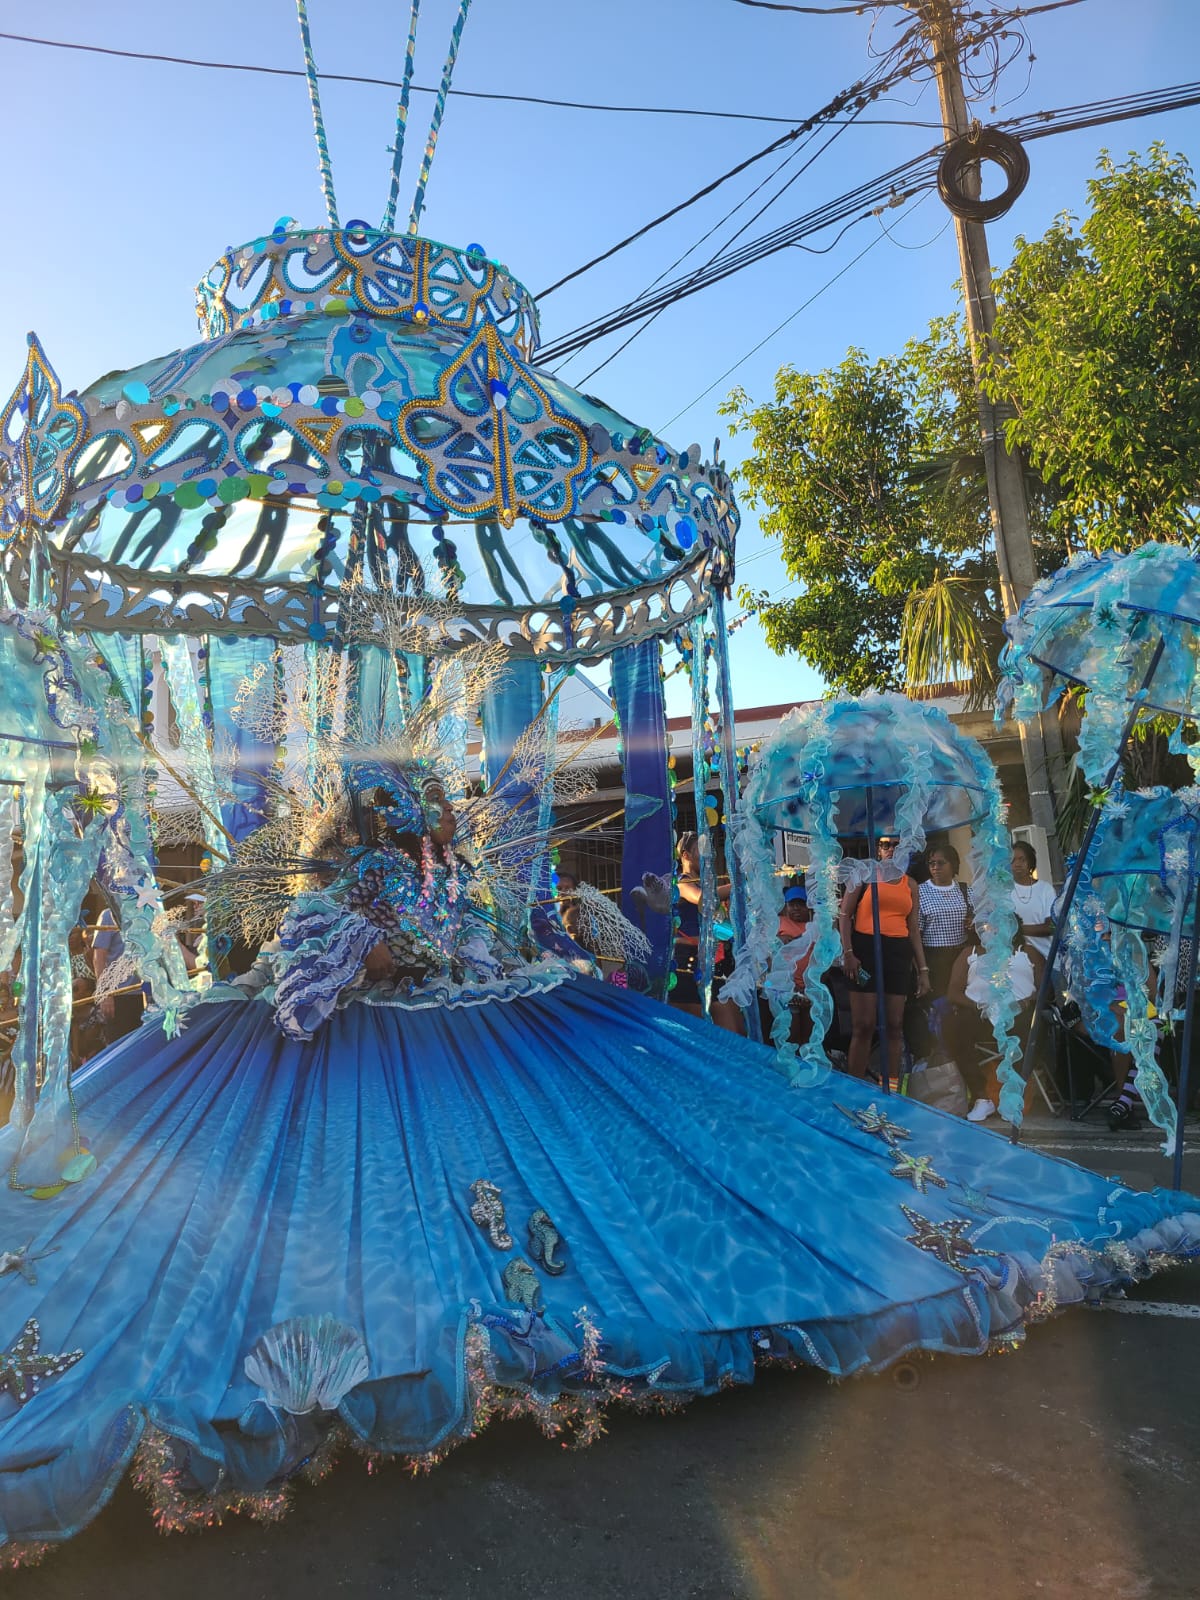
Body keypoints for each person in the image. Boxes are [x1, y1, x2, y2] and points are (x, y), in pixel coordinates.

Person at [2, 756, 1199, 1566]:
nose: (421, 845)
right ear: (370, 838)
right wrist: (370, 947)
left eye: (424, 831)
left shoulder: (444, 898)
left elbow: (463, 949)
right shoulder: (350, 905)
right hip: (415, 1048)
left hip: (491, 1031)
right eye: (404, 831)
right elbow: (310, 986)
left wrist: (516, 937)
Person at [839, 837, 930, 1082]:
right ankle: (855, 1086)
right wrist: (848, 953)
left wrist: (922, 969)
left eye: (897, 845)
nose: (891, 849)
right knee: (864, 1024)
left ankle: (890, 1083)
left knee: (894, 1024)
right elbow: (845, 915)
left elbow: (913, 929)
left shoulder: (910, 884)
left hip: (897, 951)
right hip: (865, 948)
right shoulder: (864, 874)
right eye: (886, 844)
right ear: (878, 849)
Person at [940, 930, 1038, 1121]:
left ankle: (1012, 1097)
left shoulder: (1026, 952)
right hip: (980, 1013)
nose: (994, 930)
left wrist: (1024, 1003)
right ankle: (981, 1097)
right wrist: (980, 1005)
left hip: (1018, 1012)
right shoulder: (971, 952)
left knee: (1036, 1025)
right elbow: (954, 993)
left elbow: (1043, 990)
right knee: (954, 1024)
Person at [672, 830, 743, 1034]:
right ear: (685, 855)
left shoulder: (705, 883)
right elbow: (703, 899)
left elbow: (722, 927)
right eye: (701, 852)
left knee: (737, 1028)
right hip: (687, 964)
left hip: (713, 961)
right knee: (715, 1030)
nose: (707, 857)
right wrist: (737, 884)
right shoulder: (682, 882)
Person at [1010, 841, 1056, 965]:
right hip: (1015, 960)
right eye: (1013, 860)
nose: (1017, 864)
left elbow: (1051, 926)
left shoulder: (1045, 889)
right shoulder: (1003, 891)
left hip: (1046, 958)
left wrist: (1017, 929)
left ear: (1030, 862)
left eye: (1022, 859)